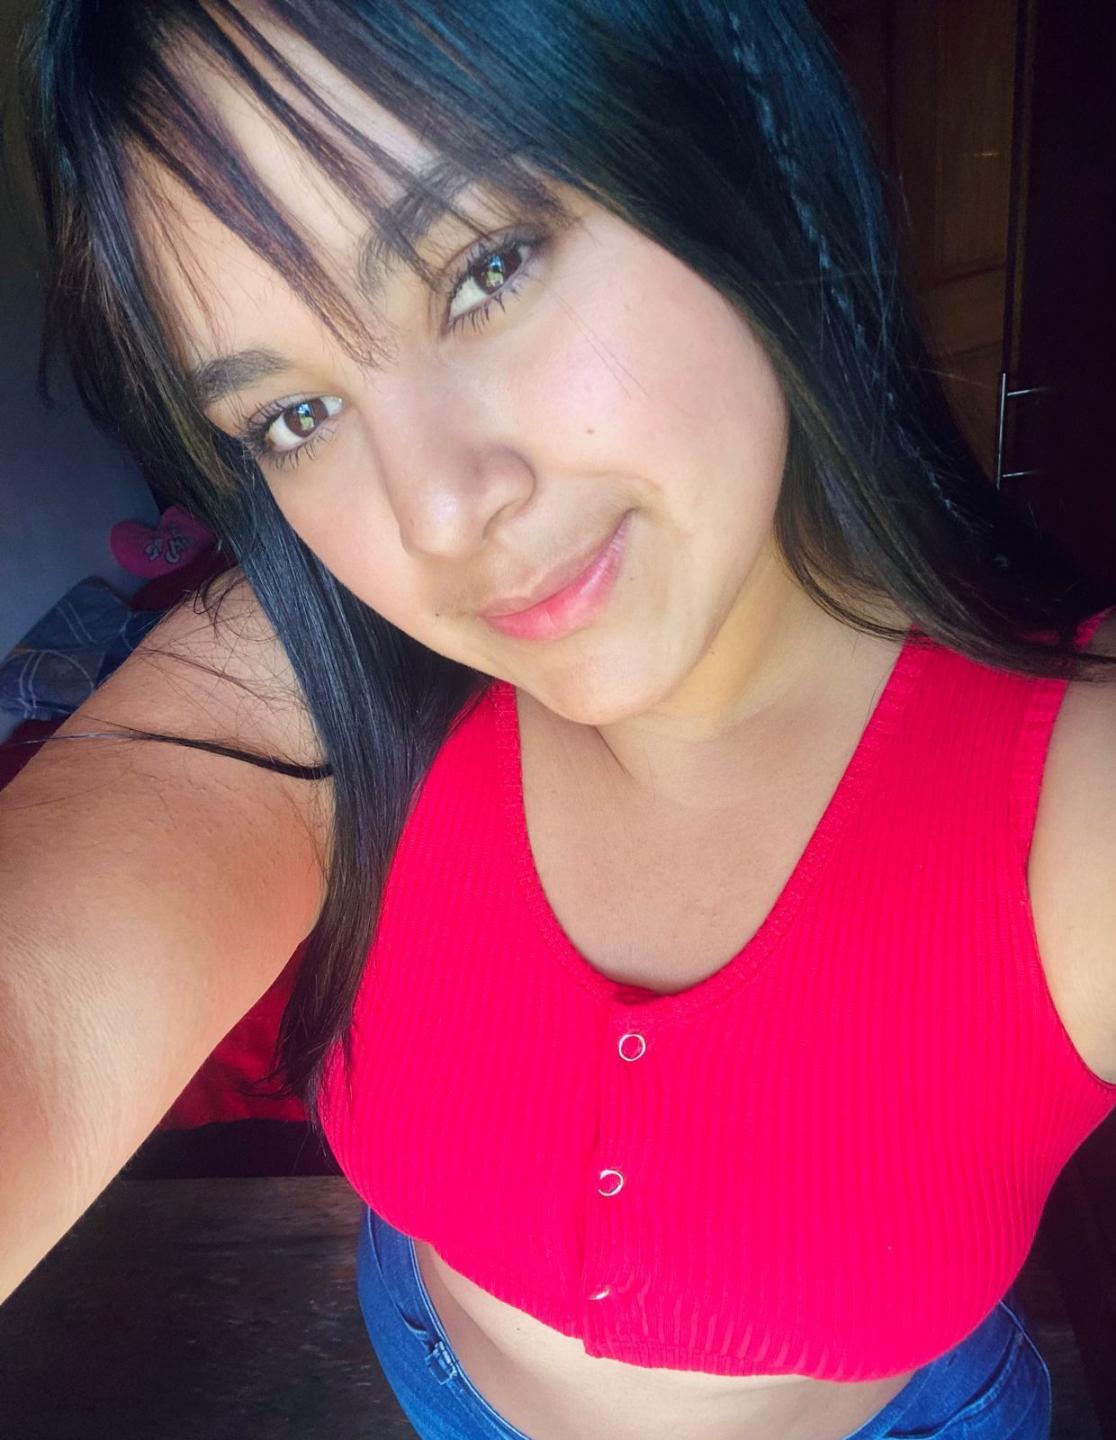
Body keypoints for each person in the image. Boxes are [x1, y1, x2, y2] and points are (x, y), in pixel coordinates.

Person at [3, 2, 1115, 1437]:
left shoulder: (1074, 782)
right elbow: (36, 1029)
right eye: (294, 416)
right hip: (438, 1377)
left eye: (485, 270)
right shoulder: (320, 678)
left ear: (728, 132)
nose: (437, 513)